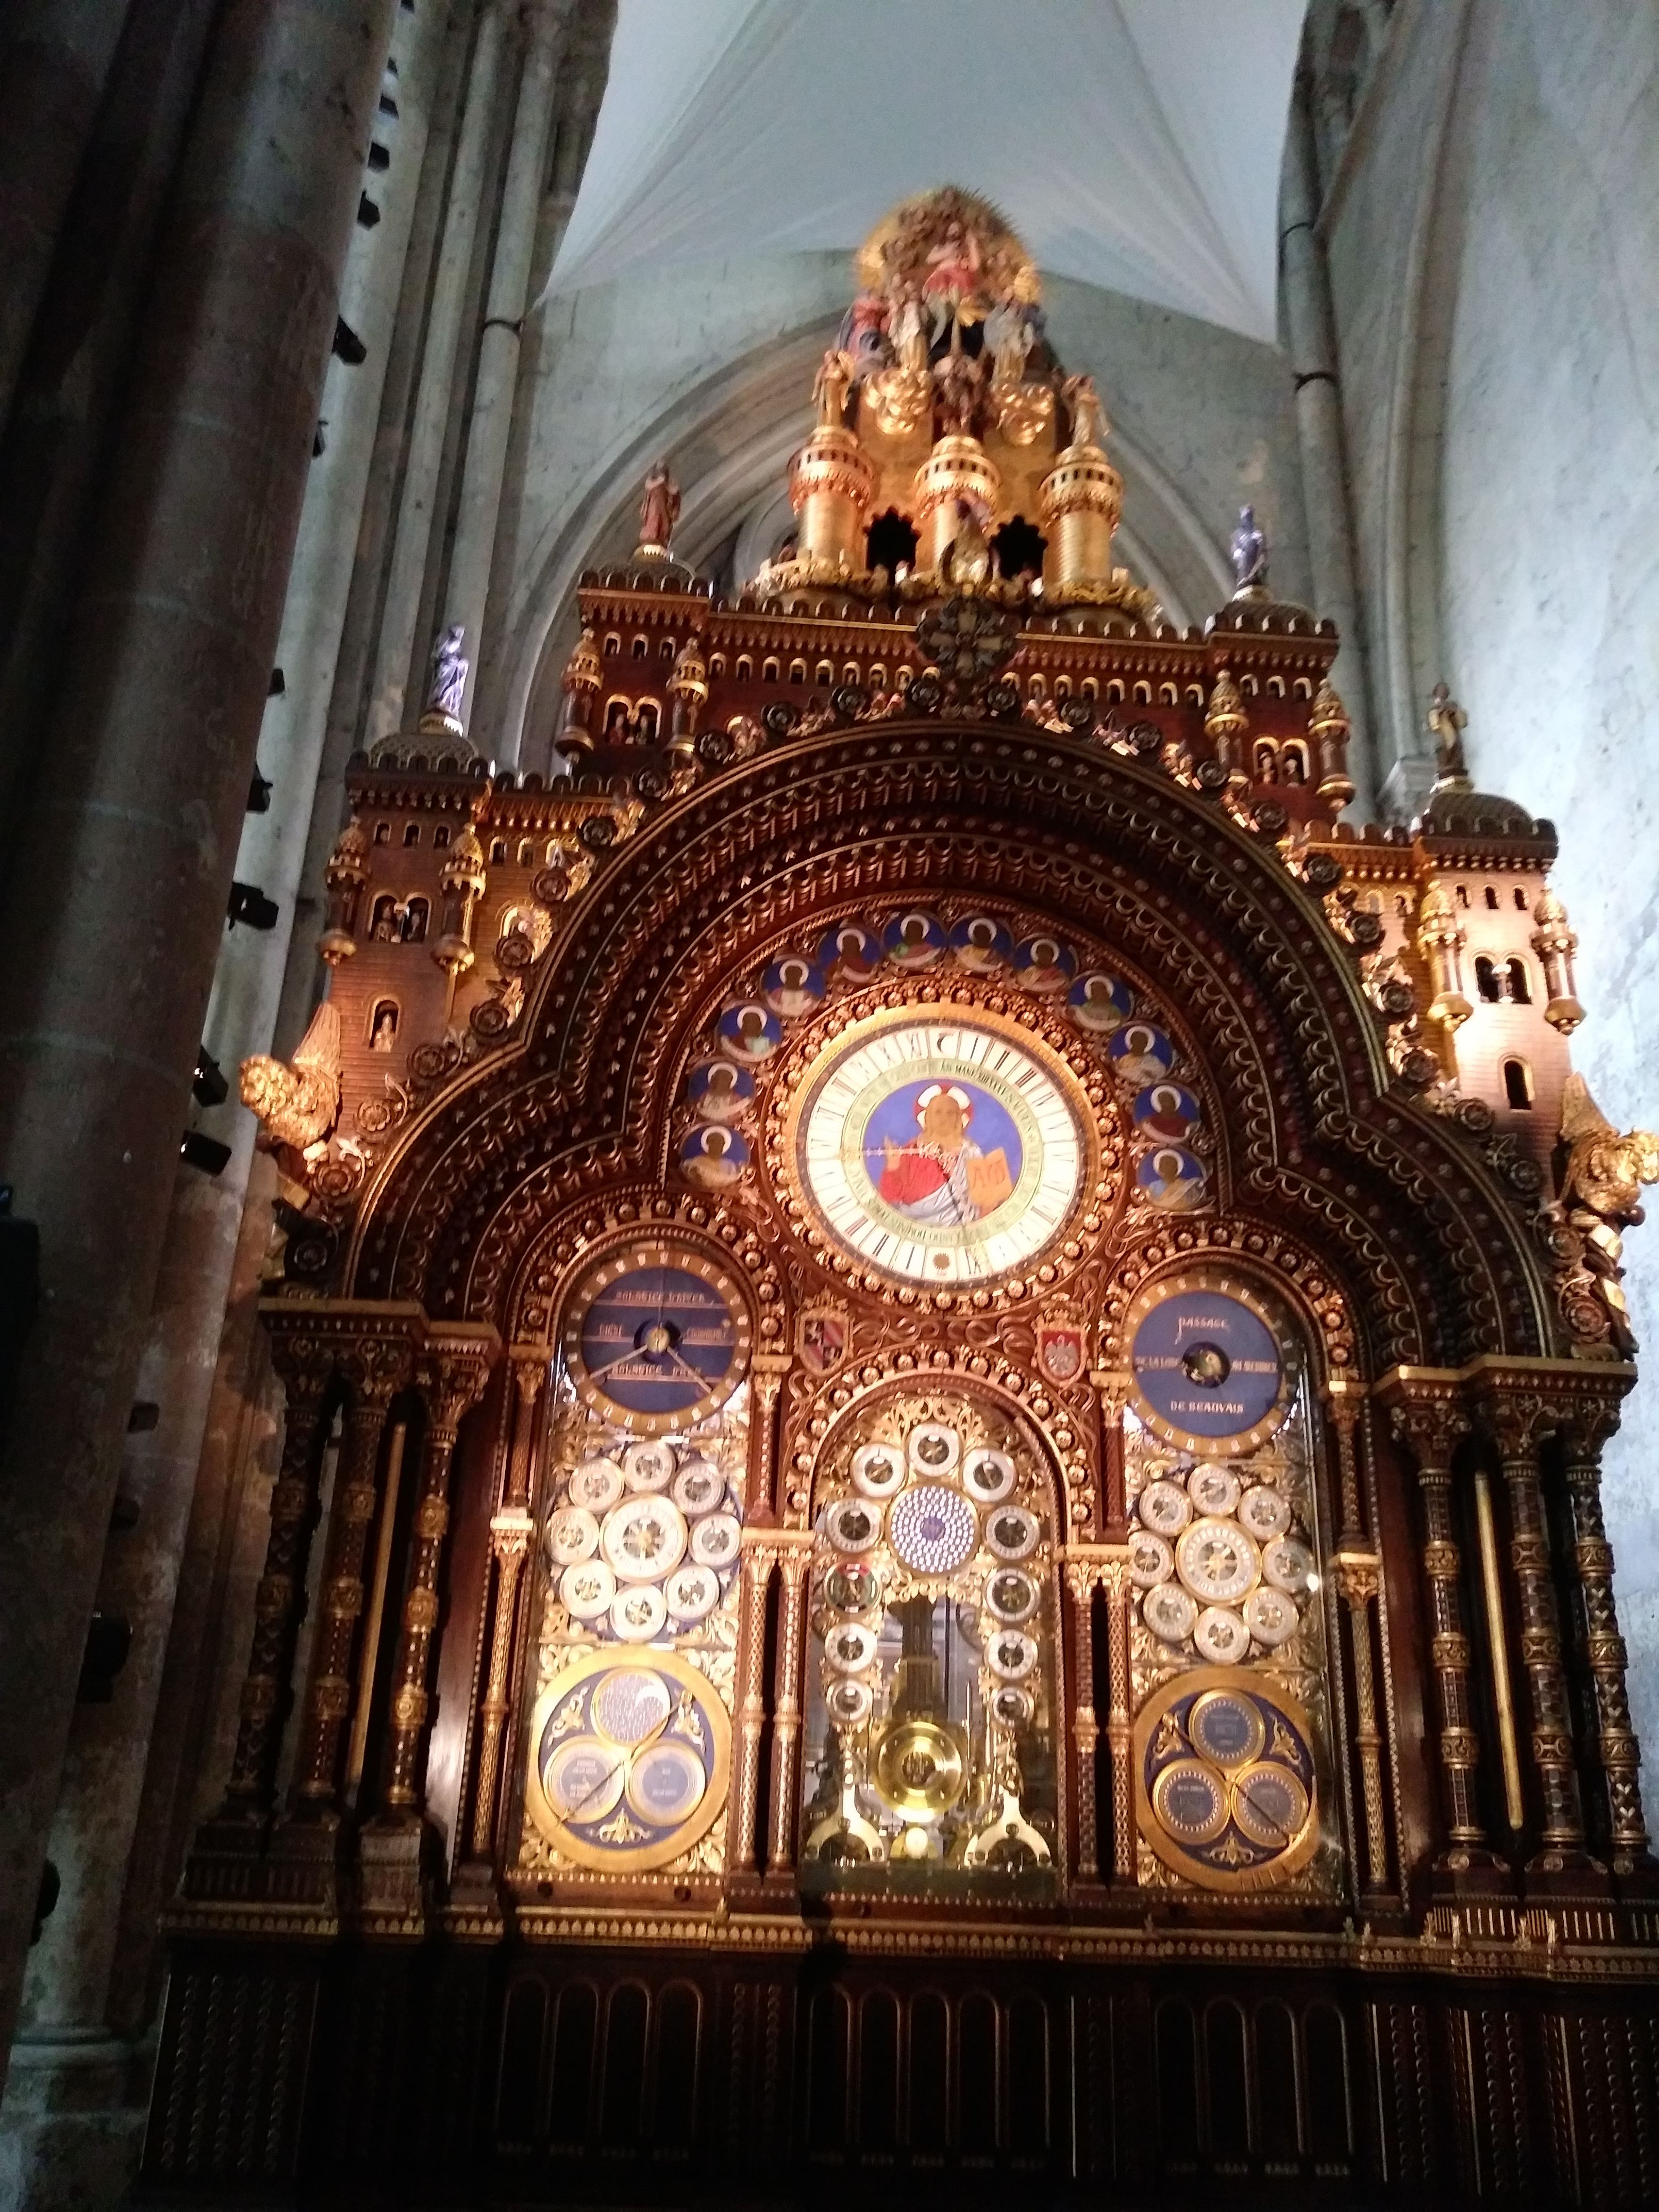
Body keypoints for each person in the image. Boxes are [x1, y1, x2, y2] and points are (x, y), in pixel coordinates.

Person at [874, 1084, 1012, 1223]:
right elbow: (890, 1195)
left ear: (958, 1119)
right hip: (916, 1227)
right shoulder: (912, 1150)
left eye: (950, 1113)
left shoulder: (971, 1153)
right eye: (938, 1112)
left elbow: (986, 1201)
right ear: (928, 1117)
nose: (943, 1118)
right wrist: (893, 1165)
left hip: (961, 1227)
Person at [639, 459, 680, 551]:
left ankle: (661, 538)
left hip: (663, 510)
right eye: (659, 469)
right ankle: (652, 536)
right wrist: (661, 482)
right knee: (653, 522)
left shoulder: (668, 485)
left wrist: (673, 492)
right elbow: (649, 487)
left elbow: (674, 495)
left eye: (662, 469)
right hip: (654, 507)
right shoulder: (653, 482)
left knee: (663, 526)